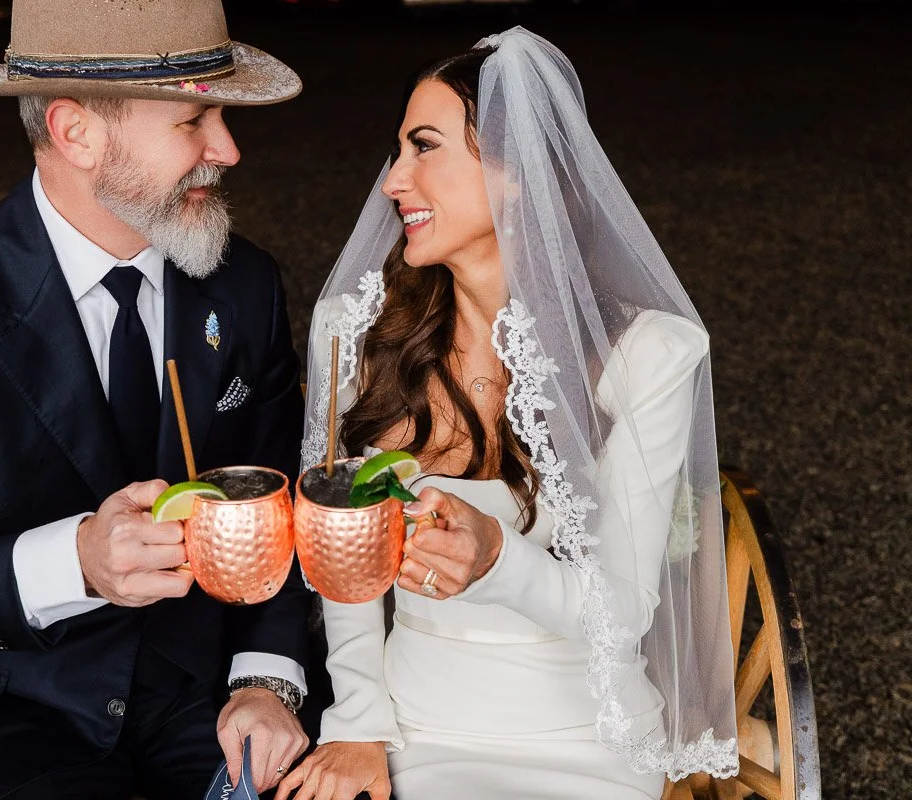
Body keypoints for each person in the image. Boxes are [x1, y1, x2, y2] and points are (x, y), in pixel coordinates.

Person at [0, 1, 315, 797]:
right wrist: (79, 561)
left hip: (209, 692)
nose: (227, 149)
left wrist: (267, 680)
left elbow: (279, 503)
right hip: (10, 719)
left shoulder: (246, 284)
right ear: (75, 132)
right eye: (194, 121)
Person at [280, 27, 739, 800]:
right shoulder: (354, 332)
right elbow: (340, 559)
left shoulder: (648, 355)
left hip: (585, 740)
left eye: (424, 148)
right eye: (398, 151)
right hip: (419, 731)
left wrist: (498, 559)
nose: (394, 181)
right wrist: (359, 724)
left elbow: (622, 613)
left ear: (516, 172)